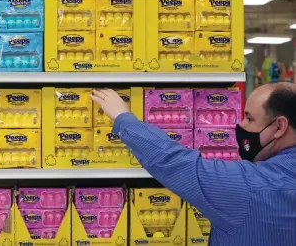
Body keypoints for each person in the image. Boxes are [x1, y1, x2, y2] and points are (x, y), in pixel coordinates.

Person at [90, 83, 296, 246]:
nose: (240, 125)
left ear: (279, 127)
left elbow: (175, 162)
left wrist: (123, 119)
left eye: (249, 119)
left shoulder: (252, 187)